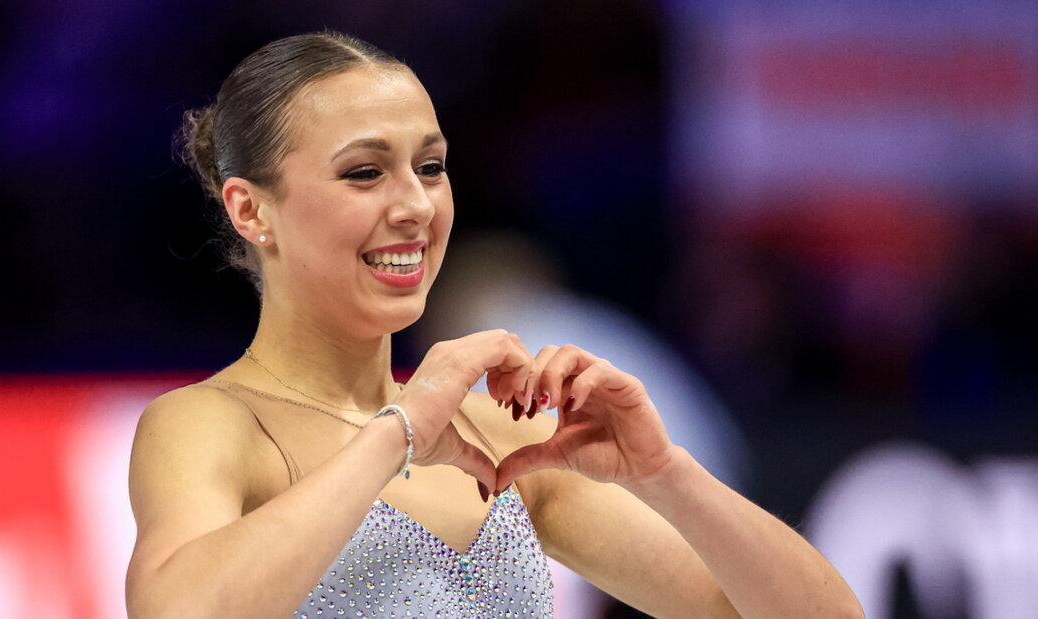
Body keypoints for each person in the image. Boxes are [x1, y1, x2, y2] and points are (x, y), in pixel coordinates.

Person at [125, 32, 863, 618]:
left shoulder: (503, 440)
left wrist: (665, 474)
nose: (416, 204)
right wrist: (398, 430)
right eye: (364, 172)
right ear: (251, 210)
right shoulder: (209, 424)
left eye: (432, 165)